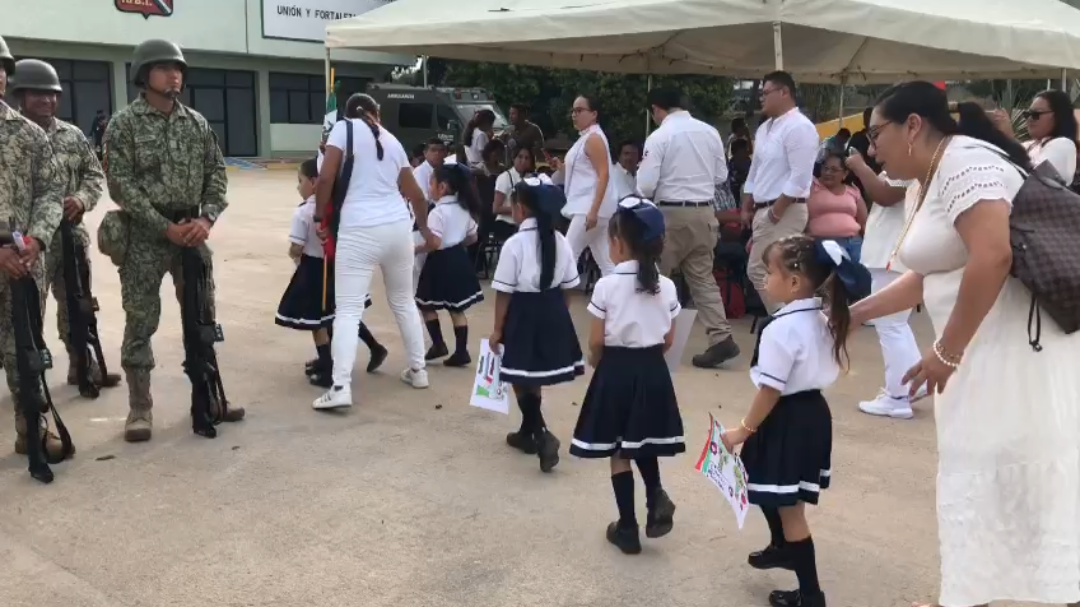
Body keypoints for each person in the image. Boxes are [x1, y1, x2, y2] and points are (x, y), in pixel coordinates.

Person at [853, 81, 1080, 607]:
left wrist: (946, 351)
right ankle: (969, 591)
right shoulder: (925, 177)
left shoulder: (964, 163)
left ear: (913, 125)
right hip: (983, 356)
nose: (871, 148)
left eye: (876, 133)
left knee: (1017, 472)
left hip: (1015, 355)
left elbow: (993, 255)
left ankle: (1051, 590)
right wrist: (855, 314)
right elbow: (930, 273)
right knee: (977, 478)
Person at [101, 38, 243, 442]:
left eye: (178, 68)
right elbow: (121, 185)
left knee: (202, 319)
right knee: (141, 321)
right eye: (164, 68)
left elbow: (217, 173)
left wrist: (206, 217)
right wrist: (163, 227)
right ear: (144, 76)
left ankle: (211, 395)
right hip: (147, 237)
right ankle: (139, 409)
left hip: (192, 233)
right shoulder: (124, 124)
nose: (174, 74)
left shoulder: (196, 123)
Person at [722, 235, 868, 607]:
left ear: (793, 282)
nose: (765, 278)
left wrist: (743, 430)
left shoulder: (780, 329)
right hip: (812, 415)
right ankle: (782, 547)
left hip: (786, 418)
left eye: (771, 272)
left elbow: (769, 391)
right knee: (774, 490)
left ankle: (810, 594)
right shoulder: (823, 318)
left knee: (791, 509)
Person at [569, 197, 684, 555]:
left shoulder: (606, 285)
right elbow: (669, 340)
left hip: (616, 371)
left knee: (619, 450)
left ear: (617, 243)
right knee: (642, 439)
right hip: (652, 370)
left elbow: (596, 340)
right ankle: (655, 495)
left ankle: (628, 527)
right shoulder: (666, 285)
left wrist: (595, 361)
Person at [312, 93, 431, 410]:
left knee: (348, 310)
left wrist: (318, 217)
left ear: (349, 113)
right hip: (397, 227)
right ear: (375, 113)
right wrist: (426, 230)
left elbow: (325, 177)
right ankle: (418, 370)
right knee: (403, 300)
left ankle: (340, 386)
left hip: (359, 228)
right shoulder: (392, 140)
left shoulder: (343, 129)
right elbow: (416, 195)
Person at [11, 58, 121, 391]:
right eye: (38, 94)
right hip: (26, 244)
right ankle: (30, 384)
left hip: (70, 236)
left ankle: (80, 363)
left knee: (78, 304)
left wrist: (82, 200)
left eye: (52, 94)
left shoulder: (72, 135)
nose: (47, 100)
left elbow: (93, 175)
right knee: (27, 311)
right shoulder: (12, 137)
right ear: (21, 96)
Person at [638, 86, 740, 368]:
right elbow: (720, 175)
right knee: (703, 279)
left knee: (654, 277)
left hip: (670, 214)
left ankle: (648, 338)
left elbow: (645, 185)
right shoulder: (709, 132)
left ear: (657, 109)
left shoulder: (659, 136)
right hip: (705, 212)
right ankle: (721, 337)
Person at [0, 36, 67, 462]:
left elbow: (50, 191)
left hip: (24, 259)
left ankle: (31, 427)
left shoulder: (27, 134)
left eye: (1, 66)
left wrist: (39, 239)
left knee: (23, 349)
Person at [490, 176, 584, 474]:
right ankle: (527, 432)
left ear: (520, 208)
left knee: (519, 373)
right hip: (553, 308)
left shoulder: (515, 243)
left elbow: (504, 291)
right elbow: (571, 285)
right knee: (535, 374)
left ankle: (542, 434)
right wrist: (560, 313)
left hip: (524, 311)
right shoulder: (560, 239)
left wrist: (496, 329)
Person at [275, 159, 386, 387]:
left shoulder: (305, 212)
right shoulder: (337, 206)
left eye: (300, 181)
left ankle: (327, 368)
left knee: (317, 320)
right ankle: (373, 347)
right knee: (339, 314)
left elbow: (296, 247)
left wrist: (293, 253)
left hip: (315, 269)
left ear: (314, 182)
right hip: (339, 265)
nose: (298, 187)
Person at [843, 151, 925, 419]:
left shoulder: (911, 163)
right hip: (892, 252)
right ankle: (914, 382)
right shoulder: (909, 162)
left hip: (892, 253)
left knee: (890, 326)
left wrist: (859, 166)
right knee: (896, 326)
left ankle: (897, 397)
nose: (874, 147)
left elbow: (884, 194)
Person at [741, 71, 819, 313]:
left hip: (784, 209)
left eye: (766, 93)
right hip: (765, 210)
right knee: (776, 270)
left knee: (763, 269)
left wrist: (776, 211)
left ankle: (786, 319)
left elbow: (800, 176)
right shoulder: (765, 128)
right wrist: (746, 205)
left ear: (784, 92)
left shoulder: (799, 127)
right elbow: (755, 171)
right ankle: (792, 320)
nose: (761, 98)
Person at [415, 162, 484, 367]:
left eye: (431, 183)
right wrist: (456, 242)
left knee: (425, 303)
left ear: (442, 187)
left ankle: (438, 344)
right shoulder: (464, 209)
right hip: (459, 258)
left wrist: (414, 249)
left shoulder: (437, 212)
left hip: (440, 261)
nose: (429, 187)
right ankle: (461, 351)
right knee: (456, 308)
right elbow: (472, 237)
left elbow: (434, 243)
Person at [550, 95, 617, 277]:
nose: (574, 115)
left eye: (579, 110)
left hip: (589, 208)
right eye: (573, 111)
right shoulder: (586, 138)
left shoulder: (593, 138)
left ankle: (556, 300)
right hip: (592, 209)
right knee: (606, 262)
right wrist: (562, 167)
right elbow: (585, 174)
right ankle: (618, 301)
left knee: (567, 254)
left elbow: (604, 174)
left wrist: (593, 210)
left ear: (593, 114)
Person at [992, 89, 1079, 184]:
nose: (1029, 119)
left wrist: (1009, 139)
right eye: (1027, 114)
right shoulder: (1029, 145)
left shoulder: (1063, 144)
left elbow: (1035, 178)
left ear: (1058, 115)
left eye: (1035, 114)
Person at [806, 151, 867, 262]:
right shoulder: (812, 186)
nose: (828, 172)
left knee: (856, 277)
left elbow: (864, 222)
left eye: (834, 170)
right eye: (825, 168)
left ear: (845, 174)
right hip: (822, 243)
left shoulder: (853, 191)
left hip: (853, 243)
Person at [493, 146, 535, 240]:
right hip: (506, 223)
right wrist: (519, 210)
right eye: (520, 157)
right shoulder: (504, 177)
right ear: (514, 159)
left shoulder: (533, 178)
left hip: (526, 224)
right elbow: (496, 208)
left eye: (527, 158)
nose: (523, 161)